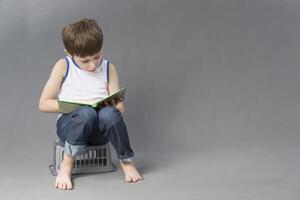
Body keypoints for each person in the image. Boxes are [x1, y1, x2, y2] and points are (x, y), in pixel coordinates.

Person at [39, 19, 143, 190]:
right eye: (85, 61)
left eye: (96, 57)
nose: (93, 65)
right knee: (86, 113)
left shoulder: (109, 68)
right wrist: (77, 106)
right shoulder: (63, 66)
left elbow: (120, 109)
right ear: (70, 53)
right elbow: (43, 104)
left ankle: (127, 162)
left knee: (109, 114)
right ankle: (67, 164)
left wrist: (115, 106)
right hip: (70, 126)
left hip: (98, 132)